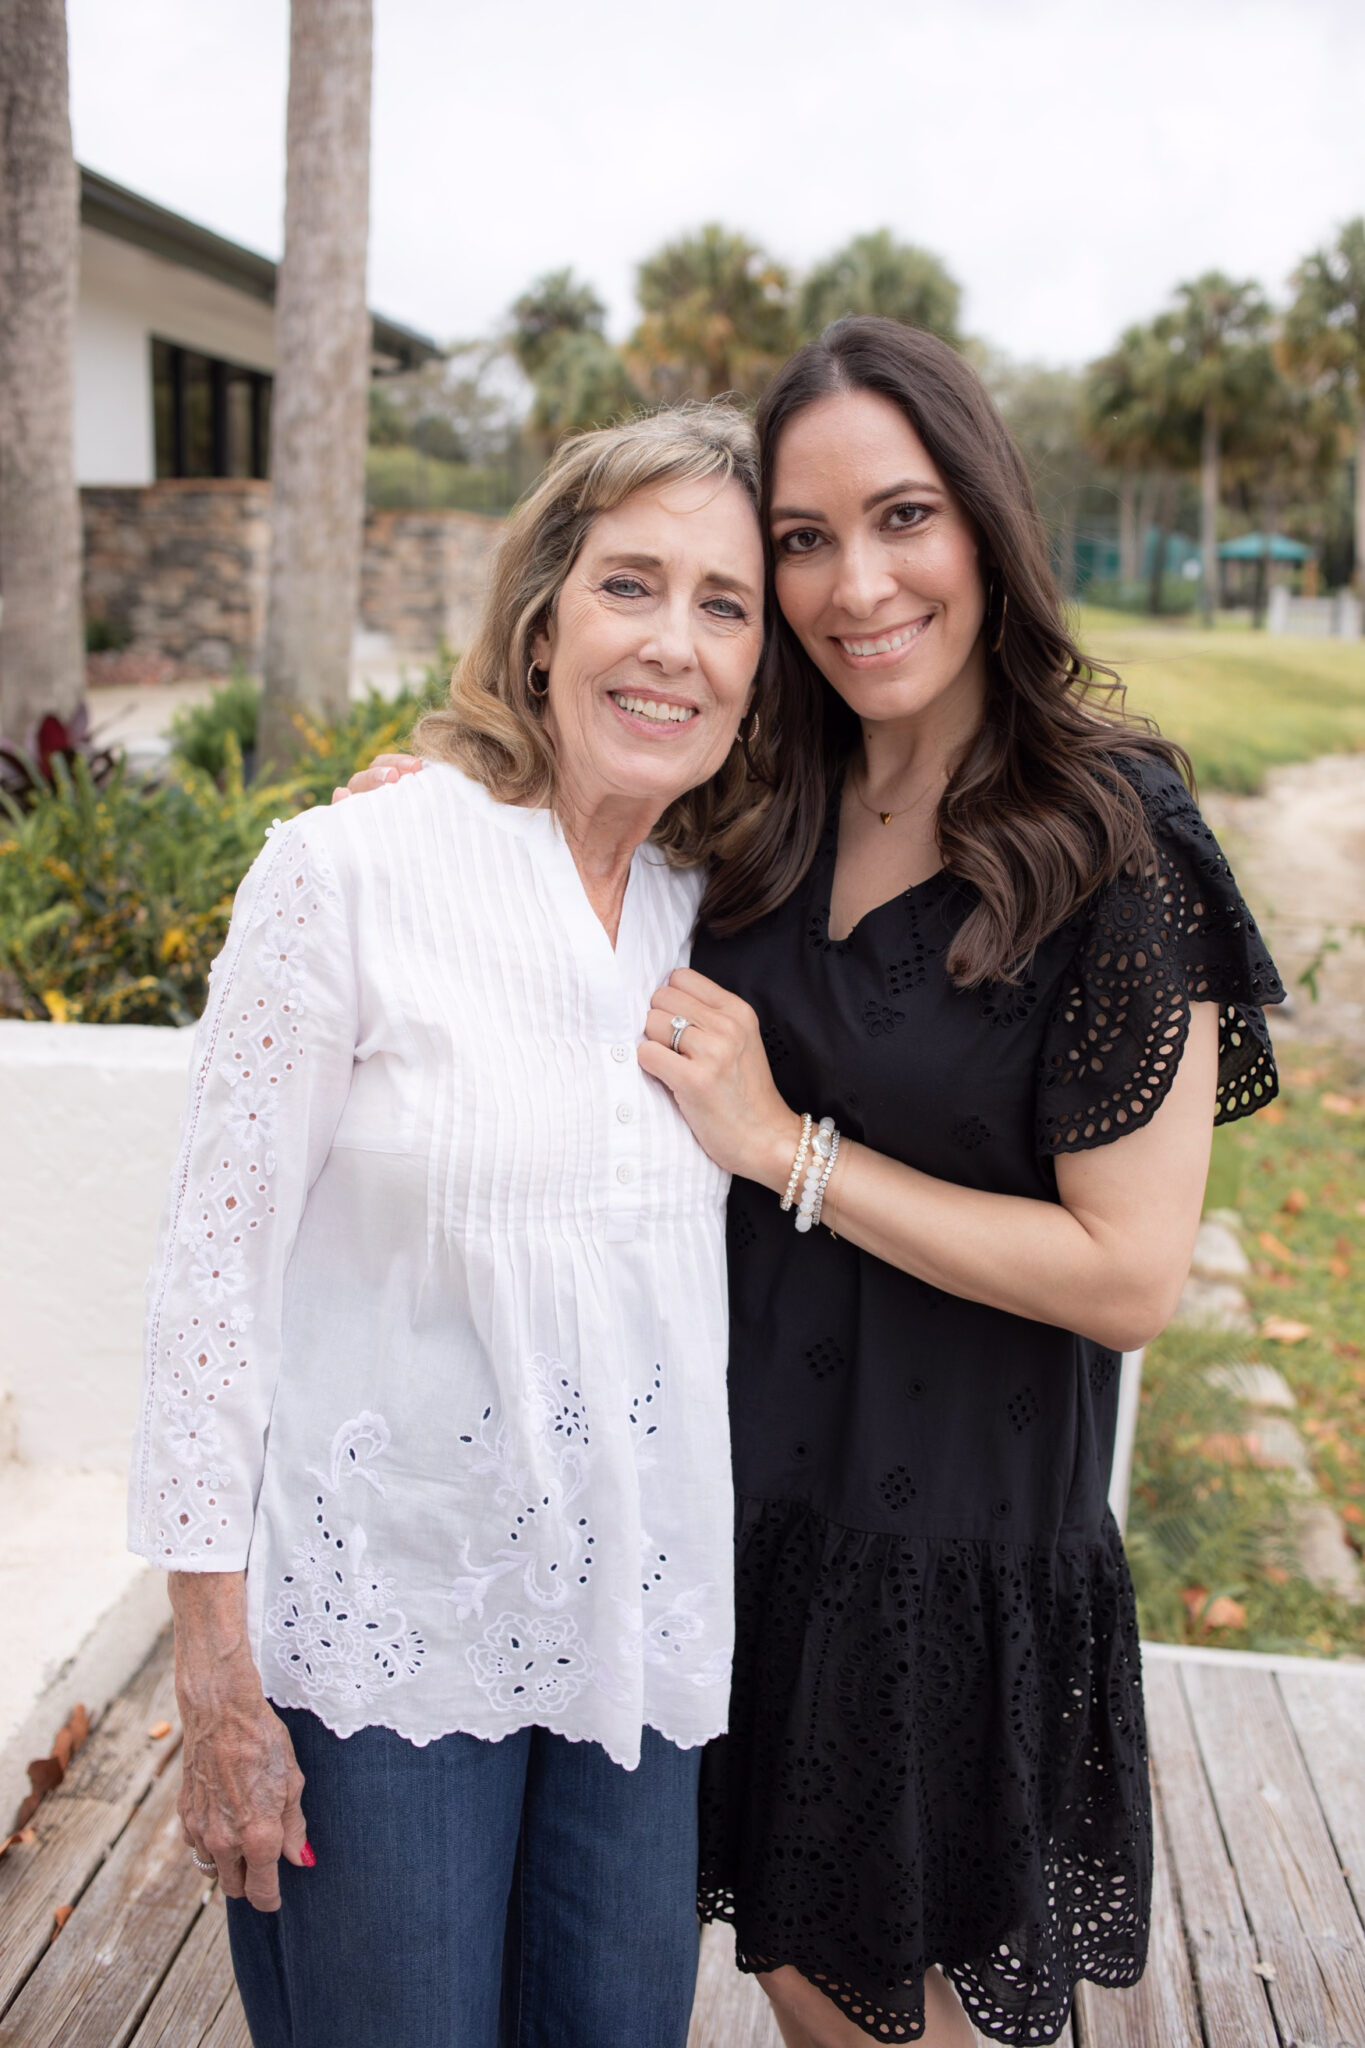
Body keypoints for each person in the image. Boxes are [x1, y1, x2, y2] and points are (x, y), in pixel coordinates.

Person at [352, 319, 1283, 2048]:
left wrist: (788, 1150)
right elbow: (581, 824)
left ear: (984, 523)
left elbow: (1128, 1274)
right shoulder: (768, 800)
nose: (857, 585)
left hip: (942, 1559)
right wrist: (446, 815)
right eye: (802, 538)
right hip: (725, 1517)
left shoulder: (1114, 838)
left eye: (902, 517)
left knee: (868, 2005)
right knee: (793, 1972)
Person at [128, 404, 769, 2048]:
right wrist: (214, 1674)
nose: (674, 643)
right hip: (383, 1644)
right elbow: (211, 1287)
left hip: (631, 1648)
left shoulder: (721, 913)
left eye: (724, 604)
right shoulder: (348, 873)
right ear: (541, 618)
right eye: (630, 583)